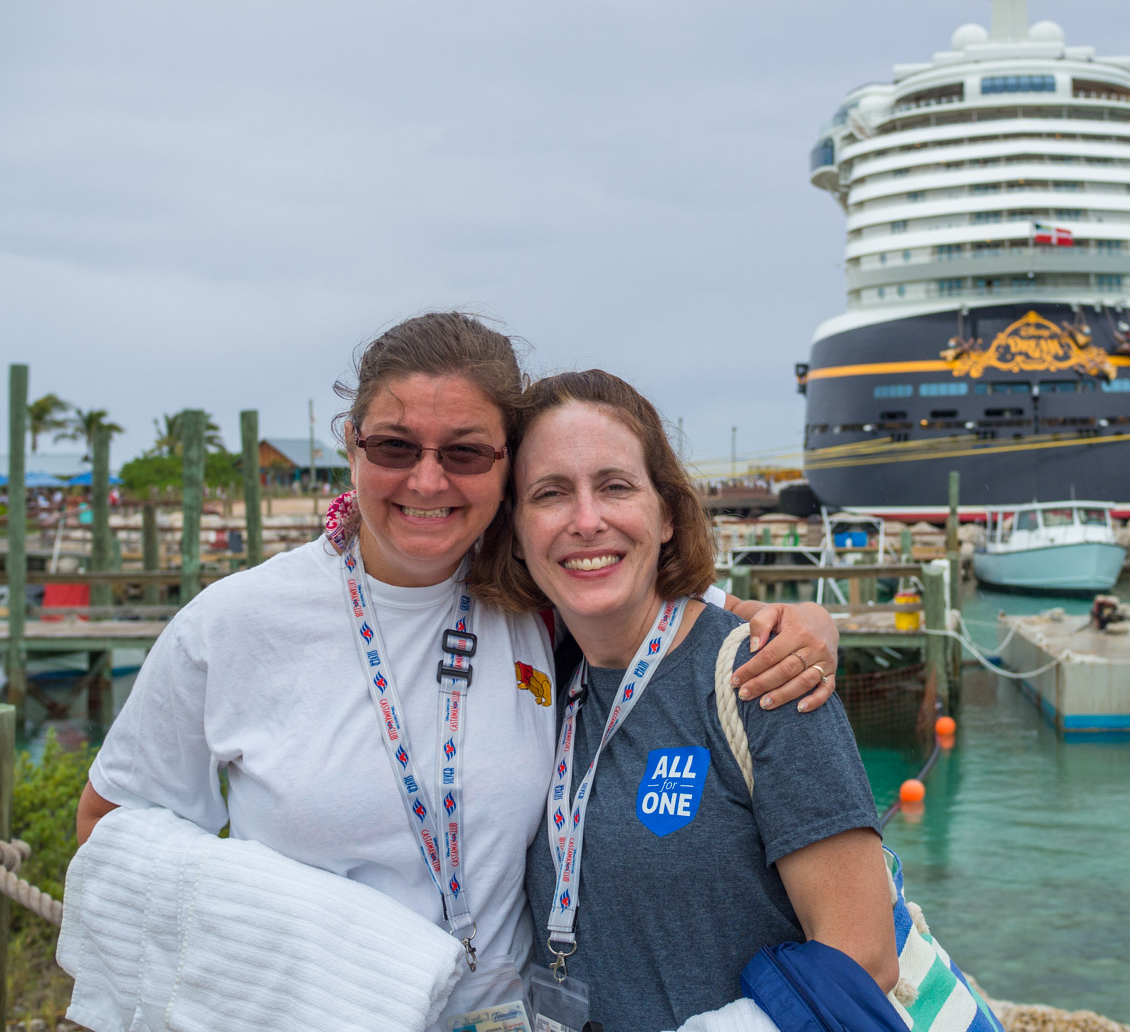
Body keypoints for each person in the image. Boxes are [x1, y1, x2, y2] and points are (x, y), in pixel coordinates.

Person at [74, 313, 839, 1016]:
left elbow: (668, 599)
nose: (428, 480)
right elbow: (112, 833)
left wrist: (806, 625)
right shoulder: (234, 624)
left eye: (466, 452)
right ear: (352, 443)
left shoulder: (535, 601)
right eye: (395, 447)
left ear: (506, 469)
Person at [473, 370, 898, 1032]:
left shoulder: (762, 673)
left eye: (616, 486)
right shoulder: (538, 681)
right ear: (518, 535)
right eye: (550, 494)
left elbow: (864, 957)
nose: (587, 521)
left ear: (667, 514)